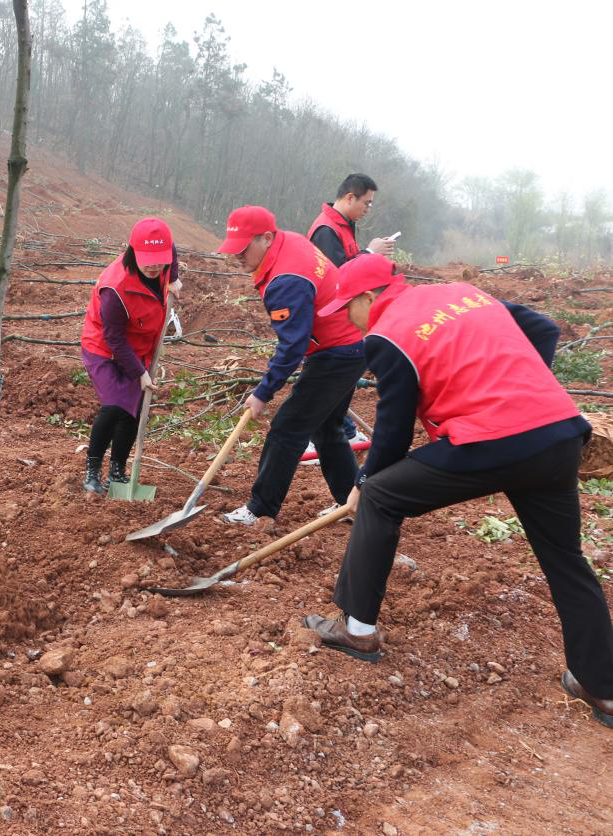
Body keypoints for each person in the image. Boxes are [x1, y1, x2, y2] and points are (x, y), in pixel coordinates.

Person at [300, 255, 612, 729]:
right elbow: (544, 329)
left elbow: (393, 431)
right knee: (566, 560)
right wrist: (520, 390)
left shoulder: (387, 335)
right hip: (557, 435)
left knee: (381, 495)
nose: (349, 320)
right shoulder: (462, 294)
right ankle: (602, 686)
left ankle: (357, 629)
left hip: (490, 443)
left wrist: (363, 483)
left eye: (348, 309)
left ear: (368, 297)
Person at [215, 205, 366, 526]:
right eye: (234, 248)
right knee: (327, 428)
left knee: (287, 428)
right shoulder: (290, 241)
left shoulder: (286, 280)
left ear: (267, 238)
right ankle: (353, 504)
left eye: (244, 248)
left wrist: (263, 392)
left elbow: (292, 346)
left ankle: (259, 510)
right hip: (351, 341)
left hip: (337, 351)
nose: (237, 256)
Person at [79, 218, 181, 493]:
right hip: (104, 348)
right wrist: (140, 373)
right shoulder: (115, 288)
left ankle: (117, 473)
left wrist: (173, 278)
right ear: (133, 250)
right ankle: (92, 470)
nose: (154, 266)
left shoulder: (164, 258)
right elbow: (114, 339)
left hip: (140, 346)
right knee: (115, 405)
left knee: (132, 411)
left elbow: (171, 251)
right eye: (148, 260)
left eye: (159, 261)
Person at [308, 173, 395, 447]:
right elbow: (338, 276)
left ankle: (341, 430)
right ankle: (312, 436)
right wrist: (369, 254)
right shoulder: (326, 230)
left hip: (347, 323)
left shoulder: (344, 226)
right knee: (325, 384)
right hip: (332, 326)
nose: (368, 209)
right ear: (349, 197)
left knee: (339, 386)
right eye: (366, 203)